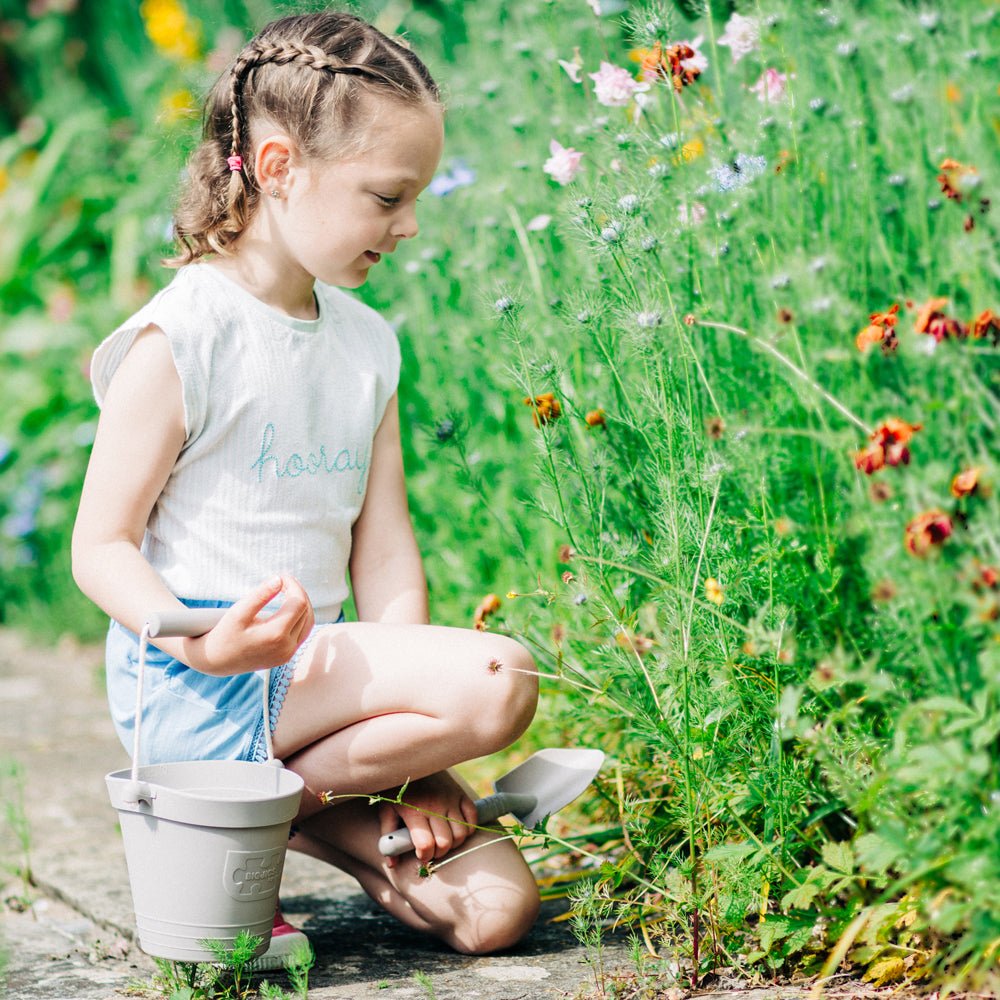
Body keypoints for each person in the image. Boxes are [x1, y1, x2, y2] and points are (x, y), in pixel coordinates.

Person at [71, 10, 540, 968]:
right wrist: (195, 638)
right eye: (386, 196)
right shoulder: (182, 338)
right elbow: (100, 546)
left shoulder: (367, 345)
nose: (409, 223)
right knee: (503, 676)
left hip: (317, 699)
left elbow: (385, 551)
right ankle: (228, 800)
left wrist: (425, 760)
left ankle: (278, 815)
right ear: (278, 166)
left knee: (497, 911)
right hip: (201, 681)